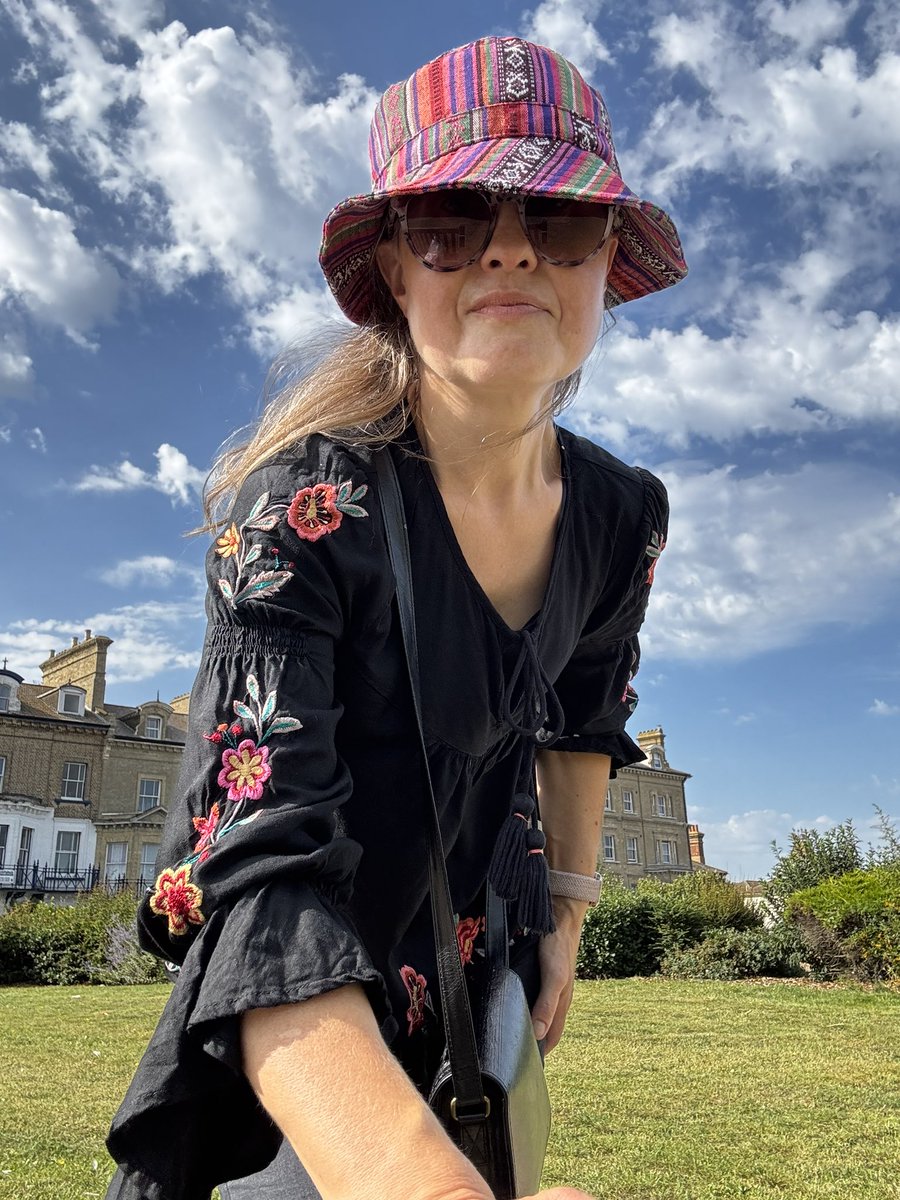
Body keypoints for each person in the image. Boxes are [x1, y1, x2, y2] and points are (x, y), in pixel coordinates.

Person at [105, 34, 686, 1200]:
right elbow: (260, 870)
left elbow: (584, 709)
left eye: (563, 219)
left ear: (605, 259)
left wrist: (567, 913)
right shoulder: (304, 508)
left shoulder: (624, 514)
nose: (513, 246)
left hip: (480, 988)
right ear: (396, 267)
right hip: (299, 1032)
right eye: (453, 220)